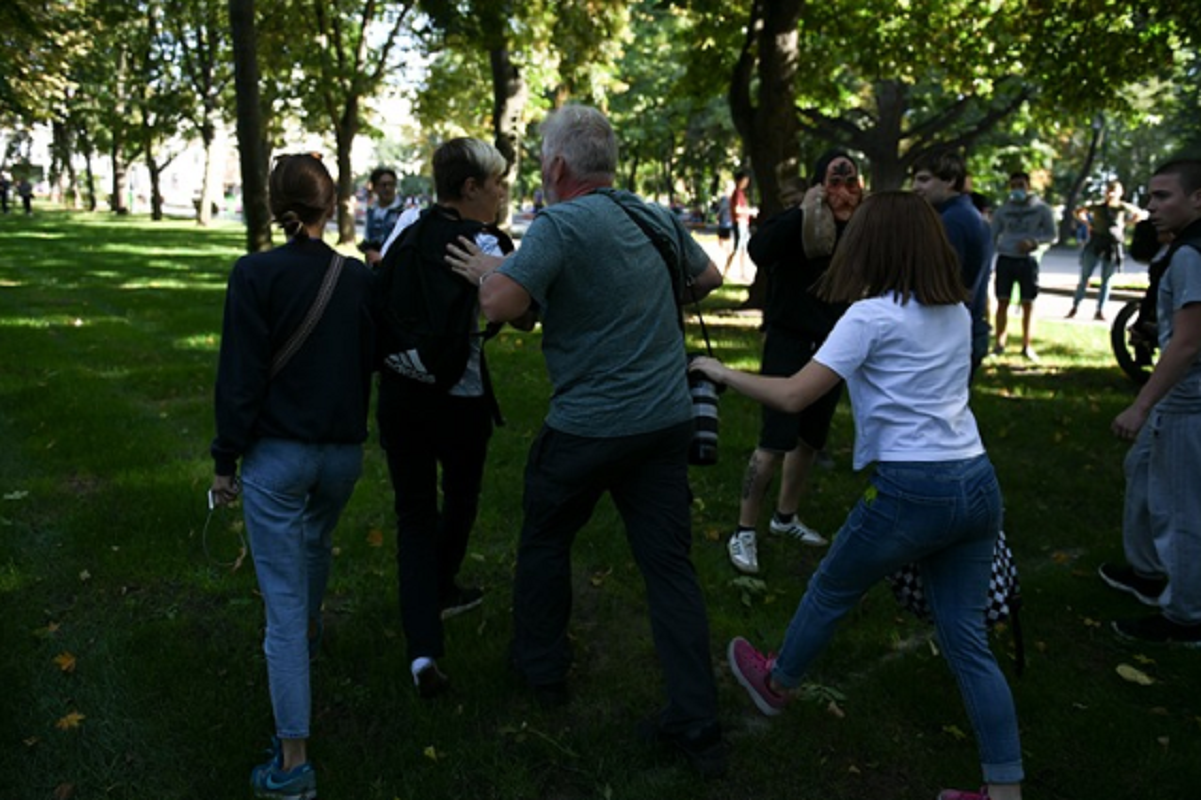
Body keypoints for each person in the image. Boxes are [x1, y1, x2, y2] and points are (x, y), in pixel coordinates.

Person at [691, 191, 1023, 800]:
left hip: (911, 490)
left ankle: (777, 682)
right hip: (976, 483)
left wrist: (720, 372)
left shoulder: (870, 316)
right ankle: (1004, 792)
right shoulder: (953, 310)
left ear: (873, 245)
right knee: (966, 640)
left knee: (833, 586)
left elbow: (794, 396)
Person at [444, 104, 726, 776]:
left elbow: (502, 306)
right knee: (669, 570)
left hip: (587, 427)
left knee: (545, 538)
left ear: (558, 165)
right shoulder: (653, 215)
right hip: (662, 422)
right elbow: (708, 278)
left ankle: (541, 671)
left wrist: (487, 272)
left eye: (542, 158)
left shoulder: (561, 222)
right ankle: (698, 723)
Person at [209, 153, 376, 800]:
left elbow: (240, 377)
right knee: (314, 547)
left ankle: (293, 764)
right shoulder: (356, 278)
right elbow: (368, 361)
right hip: (341, 456)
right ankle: (308, 645)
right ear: (329, 205)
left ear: (276, 204)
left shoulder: (254, 273)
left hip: (278, 459)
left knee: (280, 605)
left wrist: (226, 462)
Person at [376, 137, 524, 697]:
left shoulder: (405, 226)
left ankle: (421, 650)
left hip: (400, 386)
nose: (501, 193)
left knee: (413, 516)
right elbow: (526, 314)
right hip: (458, 400)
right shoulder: (486, 241)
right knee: (459, 500)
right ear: (470, 188)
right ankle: (440, 588)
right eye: (496, 184)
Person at [724, 151, 864, 576]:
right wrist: (804, 209)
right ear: (820, 185)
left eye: (850, 182)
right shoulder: (799, 222)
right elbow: (760, 249)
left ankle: (785, 518)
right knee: (772, 445)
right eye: (834, 183)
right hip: (788, 343)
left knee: (809, 442)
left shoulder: (862, 231)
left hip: (833, 348)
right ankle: (744, 529)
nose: (843, 193)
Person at [1101, 158, 1201, 647]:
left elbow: (1187, 343)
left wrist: (1140, 405)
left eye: (1163, 196)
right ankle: (1147, 572)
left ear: (1197, 197)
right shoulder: (1184, 249)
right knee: (1141, 470)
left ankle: (1186, 616)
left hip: (1187, 400)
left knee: (1179, 508)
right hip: (1183, 397)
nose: (1151, 206)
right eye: (1151, 196)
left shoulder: (1189, 254)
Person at [912, 149, 993, 377]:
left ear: (949, 181)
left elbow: (939, 287)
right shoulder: (967, 215)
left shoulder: (952, 222)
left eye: (924, 179)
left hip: (951, 337)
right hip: (965, 333)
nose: (915, 187)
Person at [990, 170, 1056, 361]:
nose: (1017, 189)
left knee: (1028, 303)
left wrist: (1034, 242)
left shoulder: (1041, 209)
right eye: (1013, 186)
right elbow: (992, 235)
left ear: (1029, 186)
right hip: (1006, 258)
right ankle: (999, 344)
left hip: (1028, 260)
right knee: (1002, 301)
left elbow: (1052, 235)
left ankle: (1027, 345)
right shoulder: (1003, 210)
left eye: (1021, 185)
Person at [1067, 180, 1145, 321]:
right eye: (1109, 191)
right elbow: (1078, 211)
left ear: (1120, 193)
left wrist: (1128, 223)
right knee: (1085, 277)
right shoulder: (1098, 207)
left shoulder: (1122, 207)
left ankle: (1100, 310)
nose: (1111, 194)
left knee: (1107, 280)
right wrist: (1087, 222)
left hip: (1113, 245)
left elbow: (1141, 214)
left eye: (1114, 191)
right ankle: (1075, 306)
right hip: (1095, 243)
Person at [359, 167, 403, 267]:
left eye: (391, 184)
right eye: (383, 185)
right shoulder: (371, 212)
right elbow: (367, 238)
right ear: (375, 188)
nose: (387, 188)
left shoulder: (403, 213)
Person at [724, 170, 753, 277]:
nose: (746, 182)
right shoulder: (737, 193)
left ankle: (742, 273)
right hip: (739, 223)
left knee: (743, 250)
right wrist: (750, 211)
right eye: (745, 180)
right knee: (737, 249)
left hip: (743, 223)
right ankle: (725, 271)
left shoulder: (740, 193)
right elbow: (737, 210)